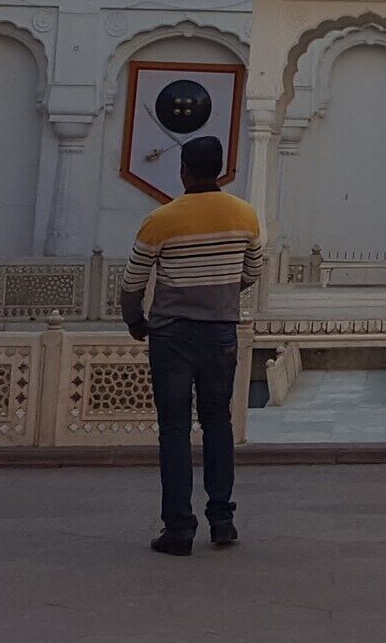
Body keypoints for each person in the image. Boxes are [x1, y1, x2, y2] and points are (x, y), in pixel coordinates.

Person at [117, 135, 263, 556]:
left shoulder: (162, 219)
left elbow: (132, 282)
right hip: (219, 333)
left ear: (183, 169)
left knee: (175, 430)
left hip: (172, 336)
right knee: (218, 424)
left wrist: (135, 322)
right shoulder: (245, 216)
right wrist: (219, 292)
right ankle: (222, 520)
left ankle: (179, 528)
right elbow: (251, 271)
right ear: (219, 169)